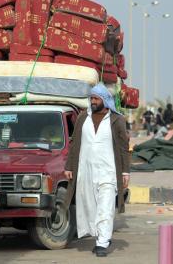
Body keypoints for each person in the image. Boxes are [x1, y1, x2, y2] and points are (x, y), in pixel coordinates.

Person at [64, 83, 130, 257]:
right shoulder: (82, 118)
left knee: (105, 208)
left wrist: (125, 172)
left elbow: (123, 147)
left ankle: (102, 243)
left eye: (96, 98)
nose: (93, 101)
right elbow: (74, 143)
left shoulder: (117, 119)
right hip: (86, 171)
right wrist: (69, 166)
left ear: (105, 100)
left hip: (108, 172)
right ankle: (100, 236)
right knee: (90, 207)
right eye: (91, 98)